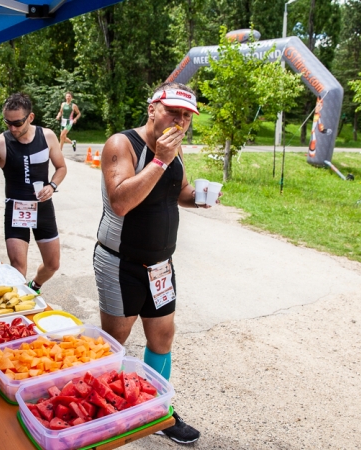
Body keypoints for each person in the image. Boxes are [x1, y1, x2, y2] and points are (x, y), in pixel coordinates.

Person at [94, 82, 220, 445]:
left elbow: (176, 191)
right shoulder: (122, 144)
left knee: (163, 334)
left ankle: (156, 411)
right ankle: (102, 408)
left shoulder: (174, 148)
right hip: (121, 263)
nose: (179, 121)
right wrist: (161, 159)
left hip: (160, 266)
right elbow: (120, 202)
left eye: (186, 116)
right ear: (152, 109)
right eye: (172, 112)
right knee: (113, 341)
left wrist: (199, 198)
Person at [0, 93, 67, 294]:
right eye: (8, 123)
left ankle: (35, 286)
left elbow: (61, 167)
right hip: (16, 209)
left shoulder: (47, 136)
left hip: (43, 209)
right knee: (17, 268)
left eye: (17, 123)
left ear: (30, 117)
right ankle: (19, 310)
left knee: (52, 264)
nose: (12, 128)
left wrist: (52, 186)